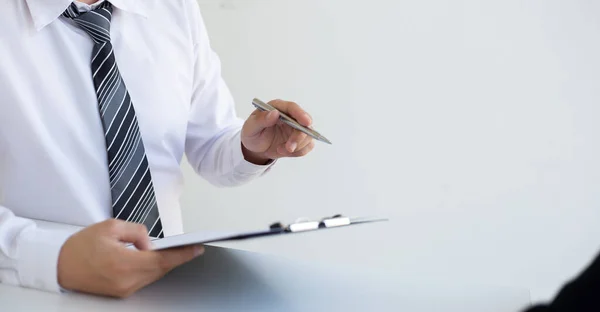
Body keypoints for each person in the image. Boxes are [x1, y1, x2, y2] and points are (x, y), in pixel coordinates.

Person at [0, 0, 316, 297]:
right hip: (38, 294)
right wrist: (55, 258)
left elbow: (210, 139)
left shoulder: (173, 8)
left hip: (168, 290)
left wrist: (251, 148)